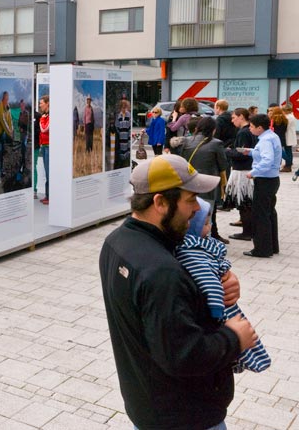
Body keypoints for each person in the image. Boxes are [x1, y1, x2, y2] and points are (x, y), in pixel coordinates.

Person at [100, 154, 257, 430]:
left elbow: (159, 318)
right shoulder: (161, 272)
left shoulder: (117, 242)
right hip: (185, 417)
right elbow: (185, 355)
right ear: (160, 202)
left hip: (149, 404)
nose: (197, 208)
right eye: (189, 200)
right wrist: (234, 337)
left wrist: (218, 285)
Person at [176, 197, 271, 373]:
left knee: (242, 339)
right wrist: (217, 309)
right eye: (205, 224)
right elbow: (208, 281)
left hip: (221, 301)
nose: (210, 227)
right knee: (240, 340)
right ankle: (250, 361)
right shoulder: (193, 253)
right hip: (220, 307)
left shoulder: (201, 245)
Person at [177, 116, 228, 243]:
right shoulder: (216, 143)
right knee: (206, 215)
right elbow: (223, 165)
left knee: (188, 213)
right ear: (213, 129)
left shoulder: (186, 141)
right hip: (208, 183)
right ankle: (205, 243)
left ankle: (188, 239)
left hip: (188, 183)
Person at [243, 114, 282, 258]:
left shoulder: (265, 140)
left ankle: (262, 249)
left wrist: (253, 172)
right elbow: (268, 155)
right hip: (272, 179)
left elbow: (267, 160)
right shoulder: (272, 136)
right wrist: (251, 152)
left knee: (260, 215)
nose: (250, 129)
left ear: (259, 128)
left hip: (264, 180)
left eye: (252, 127)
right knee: (269, 212)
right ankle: (272, 246)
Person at [226, 108, 257, 241]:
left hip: (242, 171)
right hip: (246, 169)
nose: (232, 121)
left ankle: (247, 232)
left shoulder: (244, 133)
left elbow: (242, 153)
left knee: (244, 202)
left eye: (234, 118)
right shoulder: (248, 131)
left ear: (241, 117)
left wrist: (227, 152)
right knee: (245, 202)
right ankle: (248, 230)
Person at [0, 91, 13, 180]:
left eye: (7, 99)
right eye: (5, 98)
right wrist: (9, 132)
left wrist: (11, 129)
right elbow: (2, 120)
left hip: (3, 134)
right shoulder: (0, 106)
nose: (6, 100)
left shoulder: (8, 107)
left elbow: (10, 120)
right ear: (2, 98)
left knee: (2, 153)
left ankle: (1, 170)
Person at [269, 106, 289, 172]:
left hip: (275, 137)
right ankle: (285, 162)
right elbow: (285, 129)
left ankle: (285, 161)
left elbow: (272, 128)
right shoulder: (285, 119)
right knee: (279, 152)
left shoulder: (274, 119)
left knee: (276, 152)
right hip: (282, 137)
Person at [38, 95, 50, 205]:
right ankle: (47, 195)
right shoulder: (44, 116)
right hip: (44, 146)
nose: (40, 105)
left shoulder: (50, 115)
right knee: (46, 172)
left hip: (49, 147)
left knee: (49, 172)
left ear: (47, 103)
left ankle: (50, 196)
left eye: (41, 103)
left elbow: (44, 129)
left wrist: (41, 121)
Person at [113, 98, 131, 168]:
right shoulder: (118, 115)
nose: (123, 108)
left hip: (127, 137)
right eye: (122, 106)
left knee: (126, 154)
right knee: (120, 154)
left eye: (125, 106)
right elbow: (116, 126)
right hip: (120, 138)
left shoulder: (128, 115)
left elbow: (129, 127)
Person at [282, 105, 296, 174]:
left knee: (287, 151)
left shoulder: (289, 117)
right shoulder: (291, 116)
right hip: (289, 135)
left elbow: (285, 126)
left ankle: (288, 164)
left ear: (286, 111)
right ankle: (288, 164)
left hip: (288, 135)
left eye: (283, 110)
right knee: (288, 150)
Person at [33, 103, 42, 199]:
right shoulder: (23, 114)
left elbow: (40, 131)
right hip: (25, 146)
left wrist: (33, 131)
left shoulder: (38, 116)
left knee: (33, 166)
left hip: (35, 146)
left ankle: (34, 190)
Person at [18, 99, 30, 171]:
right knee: (22, 148)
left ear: (24, 105)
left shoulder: (26, 113)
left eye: (22, 105)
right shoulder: (20, 113)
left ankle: (24, 164)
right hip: (21, 133)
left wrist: (22, 128)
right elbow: (18, 123)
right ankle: (22, 162)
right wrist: (19, 127)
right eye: (20, 105)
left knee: (24, 147)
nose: (21, 106)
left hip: (25, 133)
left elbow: (26, 123)